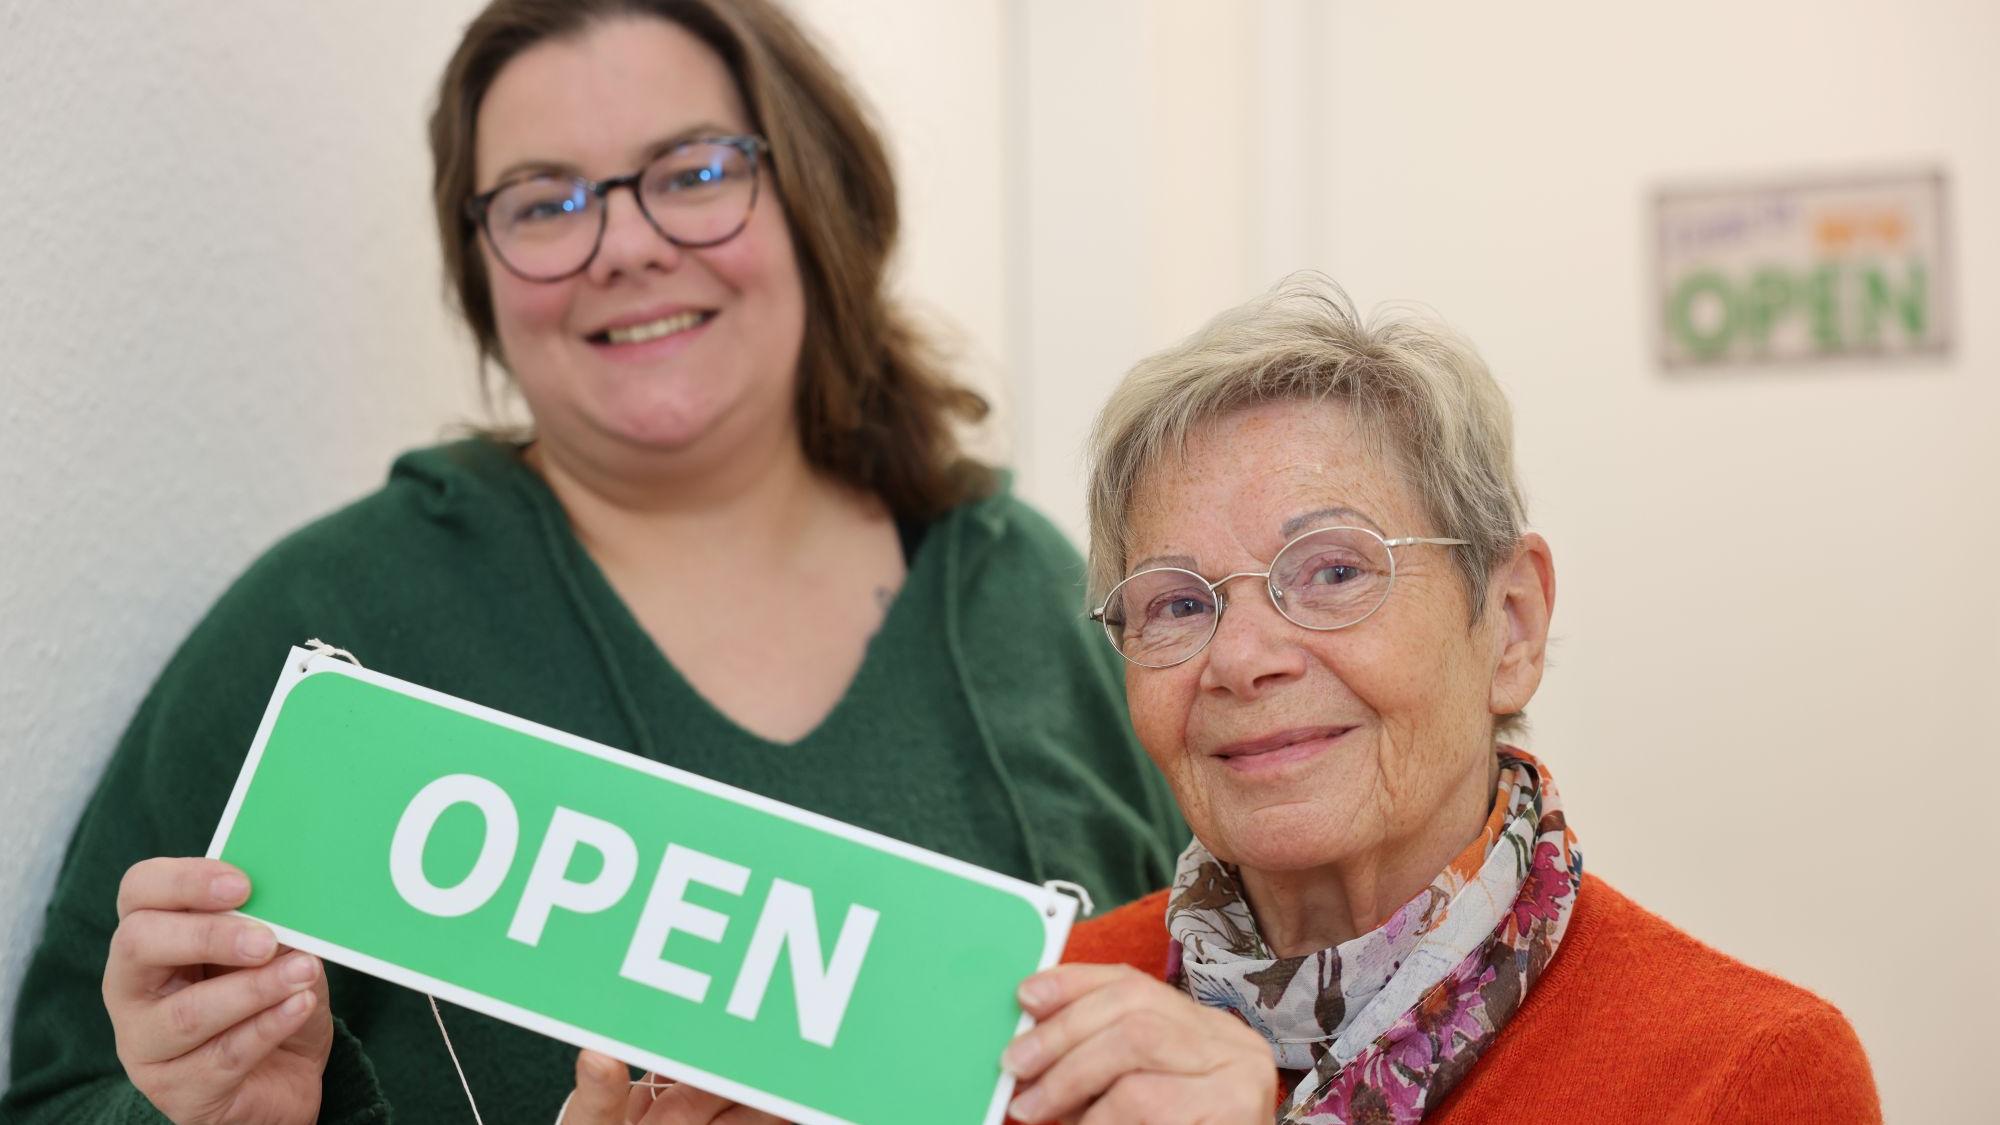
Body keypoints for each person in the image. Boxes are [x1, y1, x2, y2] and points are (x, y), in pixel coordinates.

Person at [0, 2, 1183, 1122]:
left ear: (817, 200)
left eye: (695, 173)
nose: (623, 244)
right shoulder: (334, 625)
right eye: (543, 203)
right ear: (480, 273)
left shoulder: (1038, 599)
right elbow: (65, 1096)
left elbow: (1251, 1001)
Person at [1000, 274, 1882, 1123]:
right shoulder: (1029, 1018)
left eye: (1335, 571)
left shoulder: (1748, 1073)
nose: (1241, 659)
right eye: (1179, 602)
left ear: (1511, 625)